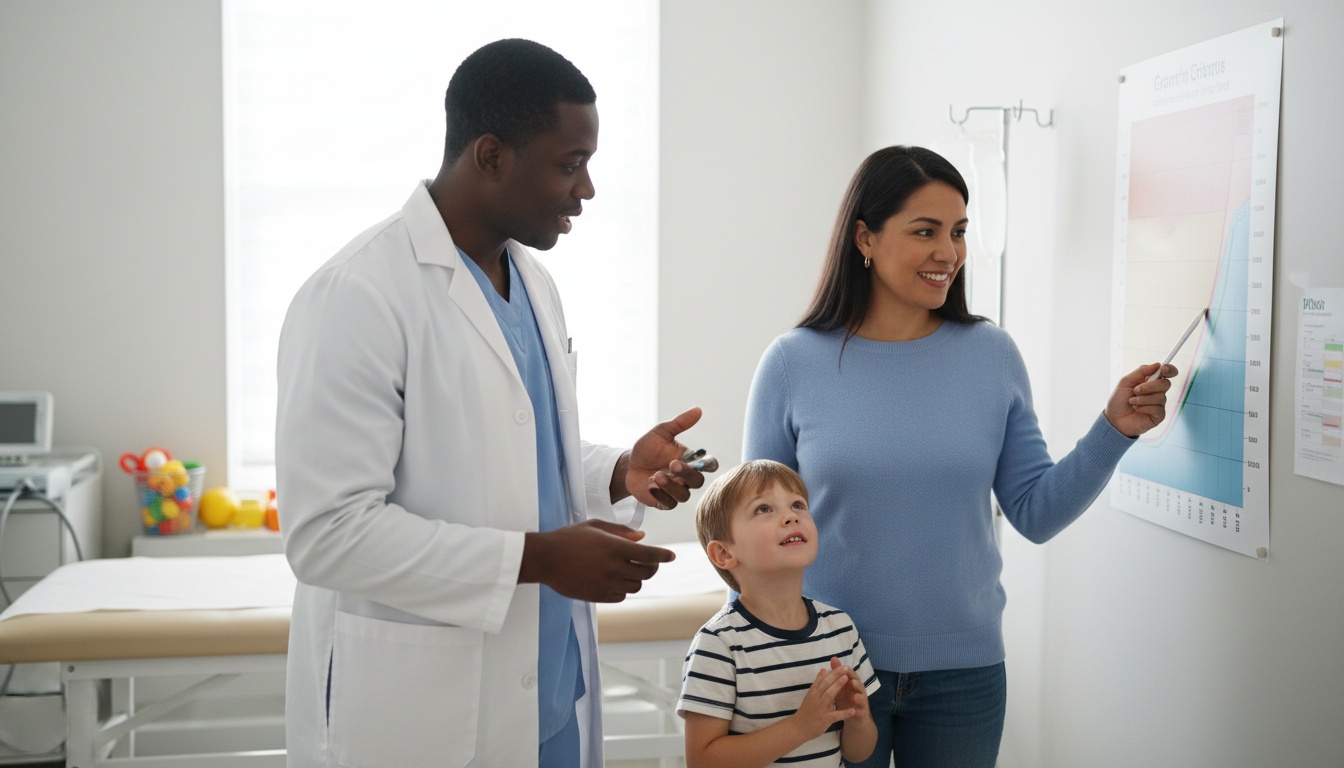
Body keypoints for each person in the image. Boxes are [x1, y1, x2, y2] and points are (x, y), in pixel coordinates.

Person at [275, 39, 709, 768]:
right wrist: (540, 559)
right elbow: (326, 533)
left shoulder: (533, 283)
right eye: (569, 164)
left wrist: (619, 474)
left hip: (548, 694)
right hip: (427, 708)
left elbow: (517, 453)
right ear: (490, 155)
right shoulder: (357, 295)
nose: (588, 190)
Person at [741, 145, 1177, 767]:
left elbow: (1036, 512)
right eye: (926, 231)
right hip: (825, 667)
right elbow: (755, 533)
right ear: (865, 237)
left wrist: (1115, 429)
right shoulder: (792, 362)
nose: (949, 252)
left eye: (959, 232)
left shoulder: (990, 355)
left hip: (963, 673)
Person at [677, 459, 880, 767]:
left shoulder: (840, 628)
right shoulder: (718, 644)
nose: (790, 516)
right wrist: (800, 727)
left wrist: (858, 720)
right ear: (724, 553)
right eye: (763, 509)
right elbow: (702, 761)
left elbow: (858, 752)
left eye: (798, 505)